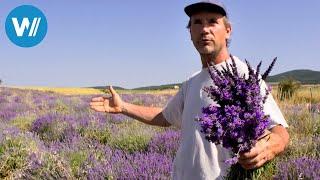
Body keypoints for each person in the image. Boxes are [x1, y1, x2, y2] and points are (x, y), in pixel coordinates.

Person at [90, 0, 289, 179]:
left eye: (212, 21)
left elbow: (280, 130)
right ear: (190, 33)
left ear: (227, 30)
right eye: (197, 22)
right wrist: (123, 107)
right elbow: (165, 116)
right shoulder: (192, 82)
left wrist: (269, 147)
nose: (204, 29)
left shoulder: (244, 77)